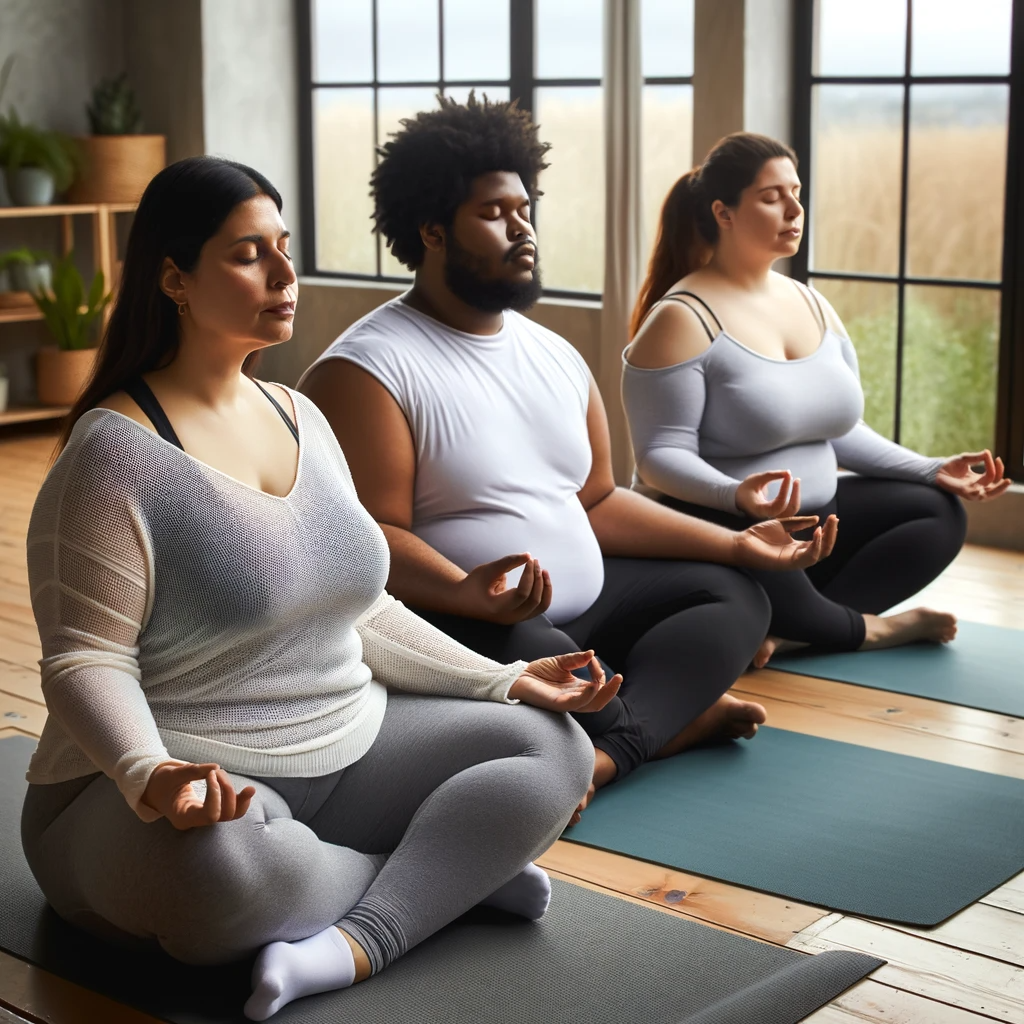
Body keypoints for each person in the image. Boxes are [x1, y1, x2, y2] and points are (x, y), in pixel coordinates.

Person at [21, 156, 613, 1022]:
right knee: (219, 876)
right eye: (247, 254)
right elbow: (85, 660)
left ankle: (355, 938)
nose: (284, 274)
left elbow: (364, 607)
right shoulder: (113, 454)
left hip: (350, 744)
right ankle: (440, 881)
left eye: (284, 246)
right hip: (184, 788)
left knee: (550, 746)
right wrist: (149, 774)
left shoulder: (301, 413)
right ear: (174, 278)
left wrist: (504, 680)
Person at [299, 96, 840, 811]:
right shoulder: (365, 372)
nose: (522, 229)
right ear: (432, 231)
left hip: (591, 602)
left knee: (735, 595)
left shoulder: (555, 354)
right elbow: (370, 542)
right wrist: (467, 593)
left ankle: (614, 744)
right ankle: (653, 728)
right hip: (475, 622)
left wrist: (738, 545)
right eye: (495, 214)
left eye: (526, 210)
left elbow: (600, 502)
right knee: (542, 649)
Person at [623, 132, 1010, 664]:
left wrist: (932, 469)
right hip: (732, 531)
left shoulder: (812, 303)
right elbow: (658, 457)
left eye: (796, 191)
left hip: (816, 529)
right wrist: (738, 496)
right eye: (771, 196)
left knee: (936, 512)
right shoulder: (681, 319)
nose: (794, 209)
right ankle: (870, 630)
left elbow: (841, 430)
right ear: (724, 212)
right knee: (756, 569)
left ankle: (797, 631)